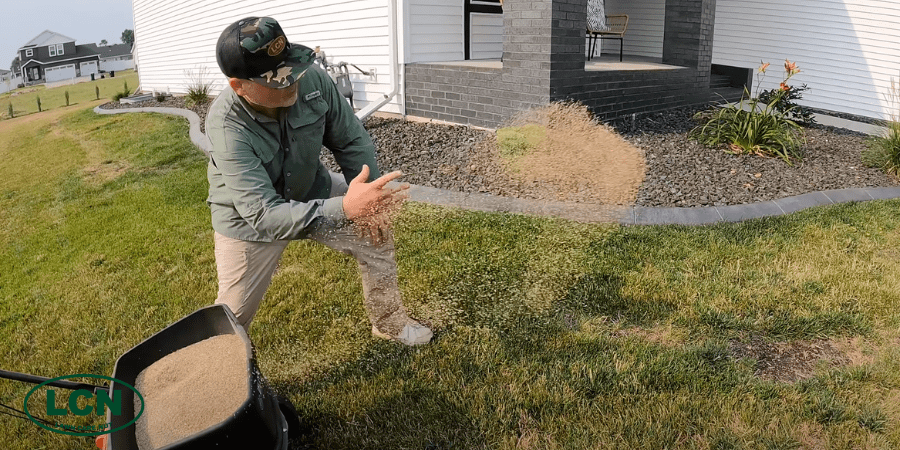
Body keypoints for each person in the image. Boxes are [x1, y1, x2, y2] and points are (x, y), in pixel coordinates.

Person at [205, 16, 432, 346]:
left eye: (290, 71)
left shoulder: (312, 79)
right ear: (239, 86)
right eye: (275, 81)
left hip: (313, 190)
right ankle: (216, 371)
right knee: (232, 316)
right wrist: (346, 207)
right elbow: (263, 215)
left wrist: (364, 194)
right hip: (249, 221)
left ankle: (389, 322)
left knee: (375, 235)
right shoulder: (227, 126)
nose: (290, 83)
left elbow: (351, 140)